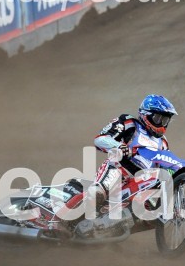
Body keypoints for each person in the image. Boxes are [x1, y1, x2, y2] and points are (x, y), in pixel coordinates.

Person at [57, 94, 177, 227]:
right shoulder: (129, 123)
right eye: (158, 118)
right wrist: (119, 146)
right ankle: (58, 222)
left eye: (165, 120)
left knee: (151, 212)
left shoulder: (163, 143)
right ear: (145, 114)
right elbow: (100, 139)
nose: (161, 124)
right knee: (98, 193)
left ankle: (109, 231)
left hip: (140, 182)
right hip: (118, 169)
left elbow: (166, 166)